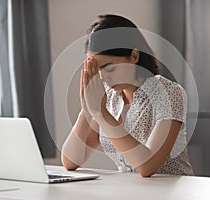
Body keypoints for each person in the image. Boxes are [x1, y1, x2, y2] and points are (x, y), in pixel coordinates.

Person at [61, 14, 194, 177]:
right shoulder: (109, 98)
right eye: (97, 71)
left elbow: (147, 166)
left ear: (134, 56)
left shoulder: (169, 93)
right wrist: (87, 109)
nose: (103, 78)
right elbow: (70, 161)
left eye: (109, 68)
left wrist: (100, 113)